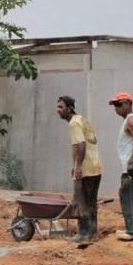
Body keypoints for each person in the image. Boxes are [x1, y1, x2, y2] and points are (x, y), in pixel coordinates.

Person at [56, 95, 102, 243]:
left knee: (81, 202)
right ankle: (92, 234)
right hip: (96, 168)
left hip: (86, 170)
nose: (58, 110)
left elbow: (81, 145)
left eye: (61, 107)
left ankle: (83, 234)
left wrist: (79, 167)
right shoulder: (82, 119)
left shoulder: (74, 124)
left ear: (69, 109)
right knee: (91, 203)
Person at [109, 92, 133, 241]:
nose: (116, 108)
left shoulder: (132, 120)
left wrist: (131, 161)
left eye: (118, 104)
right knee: (125, 195)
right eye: (114, 105)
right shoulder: (128, 120)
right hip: (131, 166)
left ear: (128, 104)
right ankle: (130, 228)